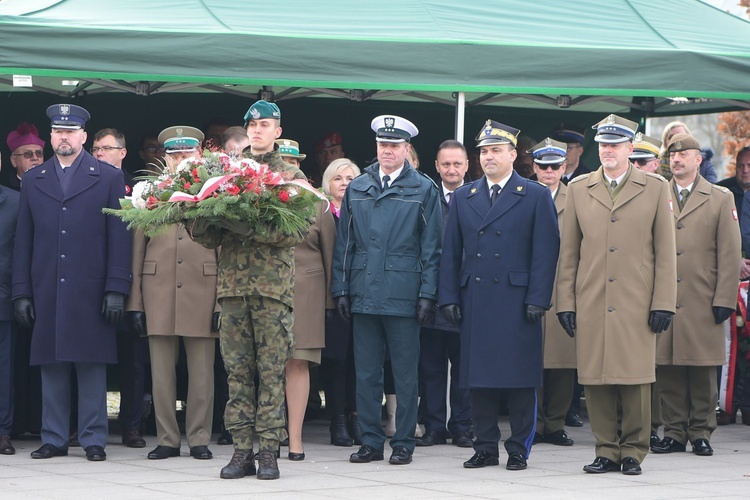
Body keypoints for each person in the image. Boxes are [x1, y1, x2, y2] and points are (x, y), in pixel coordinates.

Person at [189, 100, 305, 481]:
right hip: (233, 289)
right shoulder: (226, 173)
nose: (257, 130)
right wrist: (200, 213)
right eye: (251, 124)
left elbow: (296, 232)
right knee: (237, 373)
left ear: (278, 131)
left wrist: (247, 226)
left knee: (271, 373)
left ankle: (269, 451)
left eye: (265, 124)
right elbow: (205, 237)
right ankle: (242, 450)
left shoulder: (291, 176)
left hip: (272, 290)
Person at [556, 114, 677, 476]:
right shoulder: (579, 188)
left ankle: (634, 452)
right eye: (603, 145)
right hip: (592, 297)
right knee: (596, 378)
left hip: (636, 299)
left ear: (630, 148)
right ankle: (606, 449)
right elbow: (569, 253)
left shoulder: (655, 187)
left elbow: (666, 252)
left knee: (635, 378)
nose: (608, 150)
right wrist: (566, 301)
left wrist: (664, 302)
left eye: (615, 144)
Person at [13, 104, 132, 462]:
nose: (64, 137)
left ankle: (94, 438)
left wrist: (116, 288)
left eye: (71, 131)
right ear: (51, 137)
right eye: (58, 131)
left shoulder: (108, 177)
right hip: (47, 284)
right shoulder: (35, 178)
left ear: (83, 137)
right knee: (51, 364)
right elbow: (24, 240)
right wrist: (21, 291)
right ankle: (53, 437)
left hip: (91, 286)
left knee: (92, 364)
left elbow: (119, 238)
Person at [439, 120, 559, 471]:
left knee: (520, 379)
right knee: (479, 380)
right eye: (484, 151)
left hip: (518, 299)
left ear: (512, 154)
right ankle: (485, 446)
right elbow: (451, 252)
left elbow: (546, 250)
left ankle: (519, 447)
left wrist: (539, 297)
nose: (488, 157)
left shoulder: (535, 194)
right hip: (476, 298)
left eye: (495, 150)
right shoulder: (465, 196)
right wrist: (449, 297)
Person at [332, 114, 442, 466]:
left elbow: (432, 249)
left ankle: (404, 440)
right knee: (365, 373)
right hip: (364, 289)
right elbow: (344, 244)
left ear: (407, 149)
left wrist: (427, 294)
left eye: (394, 146)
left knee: (406, 374)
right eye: (382, 145)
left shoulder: (423, 188)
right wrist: (341, 289)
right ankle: (370, 441)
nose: (387, 151)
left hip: (403, 293)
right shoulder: (359, 187)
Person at [127, 126, 219, 462]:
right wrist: (135, 302)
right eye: (174, 154)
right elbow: (138, 250)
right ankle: (167, 438)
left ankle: (198, 437)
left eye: (186, 154)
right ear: (165, 156)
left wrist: (221, 300)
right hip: (159, 289)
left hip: (203, 288)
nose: (180, 160)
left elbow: (224, 250)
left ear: (198, 156)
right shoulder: (149, 192)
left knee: (202, 372)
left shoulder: (214, 191)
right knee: (161, 372)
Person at [650, 133, 740, 457]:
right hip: (666, 296)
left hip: (703, 297)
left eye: (683, 155)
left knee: (702, 369)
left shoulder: (720, 197)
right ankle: (674, 432)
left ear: (698, 159)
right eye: (672, 156)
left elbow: (730, 254)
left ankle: (701, 432)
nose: (676, 160)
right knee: (669, 367)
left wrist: (725, 299)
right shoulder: (658, 195)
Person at [416, 139, 472, 448]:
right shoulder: (426, 196)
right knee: (431, 368)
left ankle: (462, 426)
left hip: (466, 297)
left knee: (465, 368)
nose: (451, 169)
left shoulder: (478, 196)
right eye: (445, 164)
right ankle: (435, 426)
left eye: (457, 164)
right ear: (436, 167)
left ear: (466, 166)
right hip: (431, 295)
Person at [91, 128, 145, 448]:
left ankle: (132, 426)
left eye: (106, 148)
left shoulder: (138, 187)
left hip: (130, 282)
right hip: (95, 283)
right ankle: (85, 424)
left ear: (122, 153)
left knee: (133, 361)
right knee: (90, 356)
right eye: (96, 148)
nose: (99, 153)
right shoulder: (84, 182)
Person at [527, 138, 576, 448]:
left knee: (562, 361)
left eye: (555, 166)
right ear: (534, 167)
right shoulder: (524, 194)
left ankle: (555, 423)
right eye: (542, 166)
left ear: (564, 167)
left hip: (564, 285)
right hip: (531, 284)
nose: (548, 171)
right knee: (531, 359)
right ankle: (532, 421)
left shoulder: (578, 197)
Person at [285, 200, 336, 460]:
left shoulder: (318, 205)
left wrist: (330, 301)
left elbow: (330, 254)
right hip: (266, 292)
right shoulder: (254, 195)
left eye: (291, 163)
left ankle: (295, 439)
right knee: (263, 365)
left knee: (298, 362)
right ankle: (270, 433)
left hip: (307, 294)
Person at [320, 158, 361, 446]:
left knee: (360, 362)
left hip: (361, 294)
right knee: (336, 362)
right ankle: (337, 422)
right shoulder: (321, 211)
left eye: (350, 178)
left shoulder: (364, 208)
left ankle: (357, 417)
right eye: (338, 178)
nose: (344, 183)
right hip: (331, 296)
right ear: (328, 183)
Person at [0, 153, 20, 455]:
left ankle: (2, 430)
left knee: (4, 368)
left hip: (1, 296)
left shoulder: (15, 202)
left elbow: (21, 252)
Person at [5, 122, 45, 191]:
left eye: (39, 153)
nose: (35, 158)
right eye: (28, 154)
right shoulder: (4, 190)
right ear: (14, 160)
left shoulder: (55, 185)